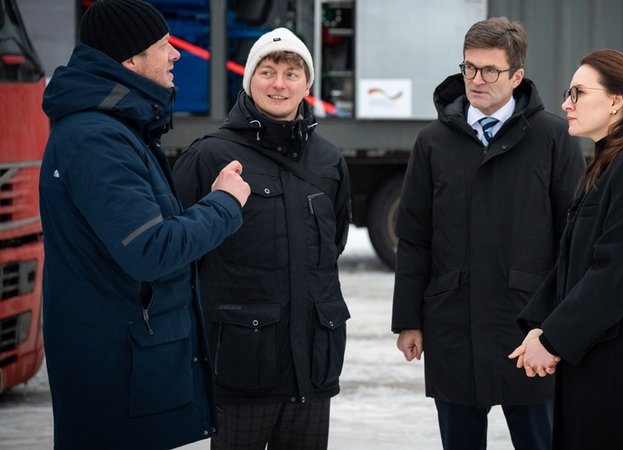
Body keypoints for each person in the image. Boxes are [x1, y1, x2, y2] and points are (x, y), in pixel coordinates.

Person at [39, 0, 251, 448]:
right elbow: (150, 249)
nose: (176, 54)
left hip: (125, 367)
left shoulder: (115, 128)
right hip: (116, 374)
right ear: (130, 60)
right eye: (163, 45)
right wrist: (224, 204)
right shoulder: (98, 138)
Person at [391, 17, 585, 450]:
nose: (476, 80)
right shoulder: (432, 142)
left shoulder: (553, 138)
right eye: (469, 68)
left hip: (530, 329)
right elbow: (415, 237)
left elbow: (571, 237)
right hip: (452, 325)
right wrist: (408, 320)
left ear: (516, 76)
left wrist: (560, 325)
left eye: (490, 71)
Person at [173, 27, 352, 450]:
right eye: (267, 71)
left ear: (307, 84)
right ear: (248, 79)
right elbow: (179, 251)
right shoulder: (209, 156)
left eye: (292, 73)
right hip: (241, 366)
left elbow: (335, 243)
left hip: (312, 365)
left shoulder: (328, 160)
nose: (278, 83)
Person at [509, 48, 623, 449]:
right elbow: (573, 261)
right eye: (567, 93)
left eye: (578, 93)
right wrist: (541, 325)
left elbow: (616, 274)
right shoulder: (611, 163)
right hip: (599, 361)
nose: (565, 104)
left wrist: (554, 339)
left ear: (616, 101)